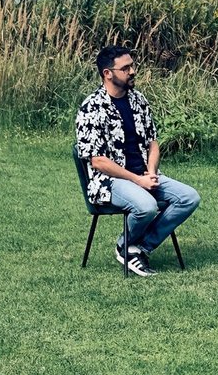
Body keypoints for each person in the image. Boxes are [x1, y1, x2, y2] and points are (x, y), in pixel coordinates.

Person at [75, 45, 200, 277]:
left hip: (143, 174)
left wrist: (150, 172)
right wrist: (137, 180)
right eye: (125, 68)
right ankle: (126, 246)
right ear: (107, 73)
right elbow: (98, 161)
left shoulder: (138, 100)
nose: (132, 71)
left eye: (132, 65)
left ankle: (137, 248)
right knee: (146, 206)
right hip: (109, 181)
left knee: (189, 198)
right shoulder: (91, 107)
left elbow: (153, 142)